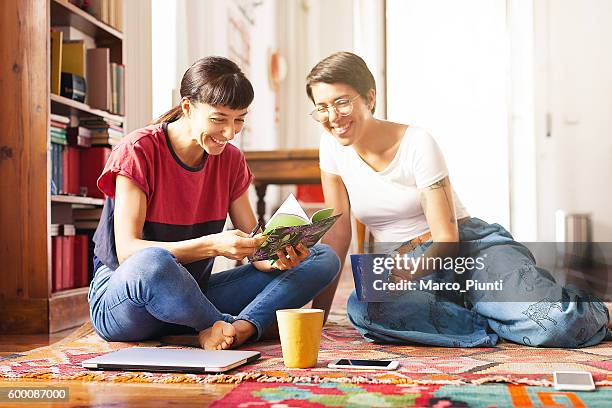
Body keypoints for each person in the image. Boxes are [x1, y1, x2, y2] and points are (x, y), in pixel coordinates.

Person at [307, 51, 610, 348]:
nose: (332, 117)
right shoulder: (331, 147)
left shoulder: (416, 142)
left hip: (468, 248)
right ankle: (493, 316)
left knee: (556, 323)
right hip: (405, 260)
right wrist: (315, 317)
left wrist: (408, 273)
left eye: (342, 102)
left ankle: (590, 311)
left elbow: (447, 239)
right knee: (363, 307)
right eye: (322, 107)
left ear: (370, 98)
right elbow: (338, 232)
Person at [88, 56, 340, 350]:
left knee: (323, 257)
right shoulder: (138, 150)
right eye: (219, 119)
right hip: (128, 302)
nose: (230, 133)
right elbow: (129, 252)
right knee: (153, 262)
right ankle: (217, 324)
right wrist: (213, 245)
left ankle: (239, 328)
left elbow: (257, 250)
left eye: (239, 120)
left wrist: (277, 256)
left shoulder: (230, 160)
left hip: (192, 299)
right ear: (187, 108)